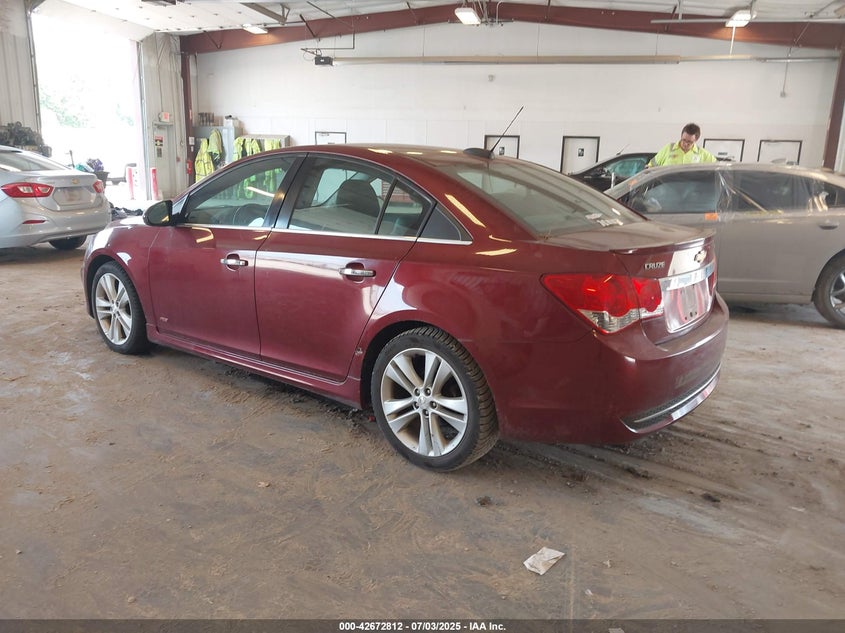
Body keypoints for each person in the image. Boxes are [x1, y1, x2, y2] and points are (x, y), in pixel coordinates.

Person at [647, 123, 717, 167]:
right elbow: (651, 166)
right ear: (681, 136)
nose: (685, 144)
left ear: (696, 140)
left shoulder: (702, 154)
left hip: (691, 187)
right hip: (667, 186)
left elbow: (717, 166)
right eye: (684, 140)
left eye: (689, 142)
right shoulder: (668, 149)